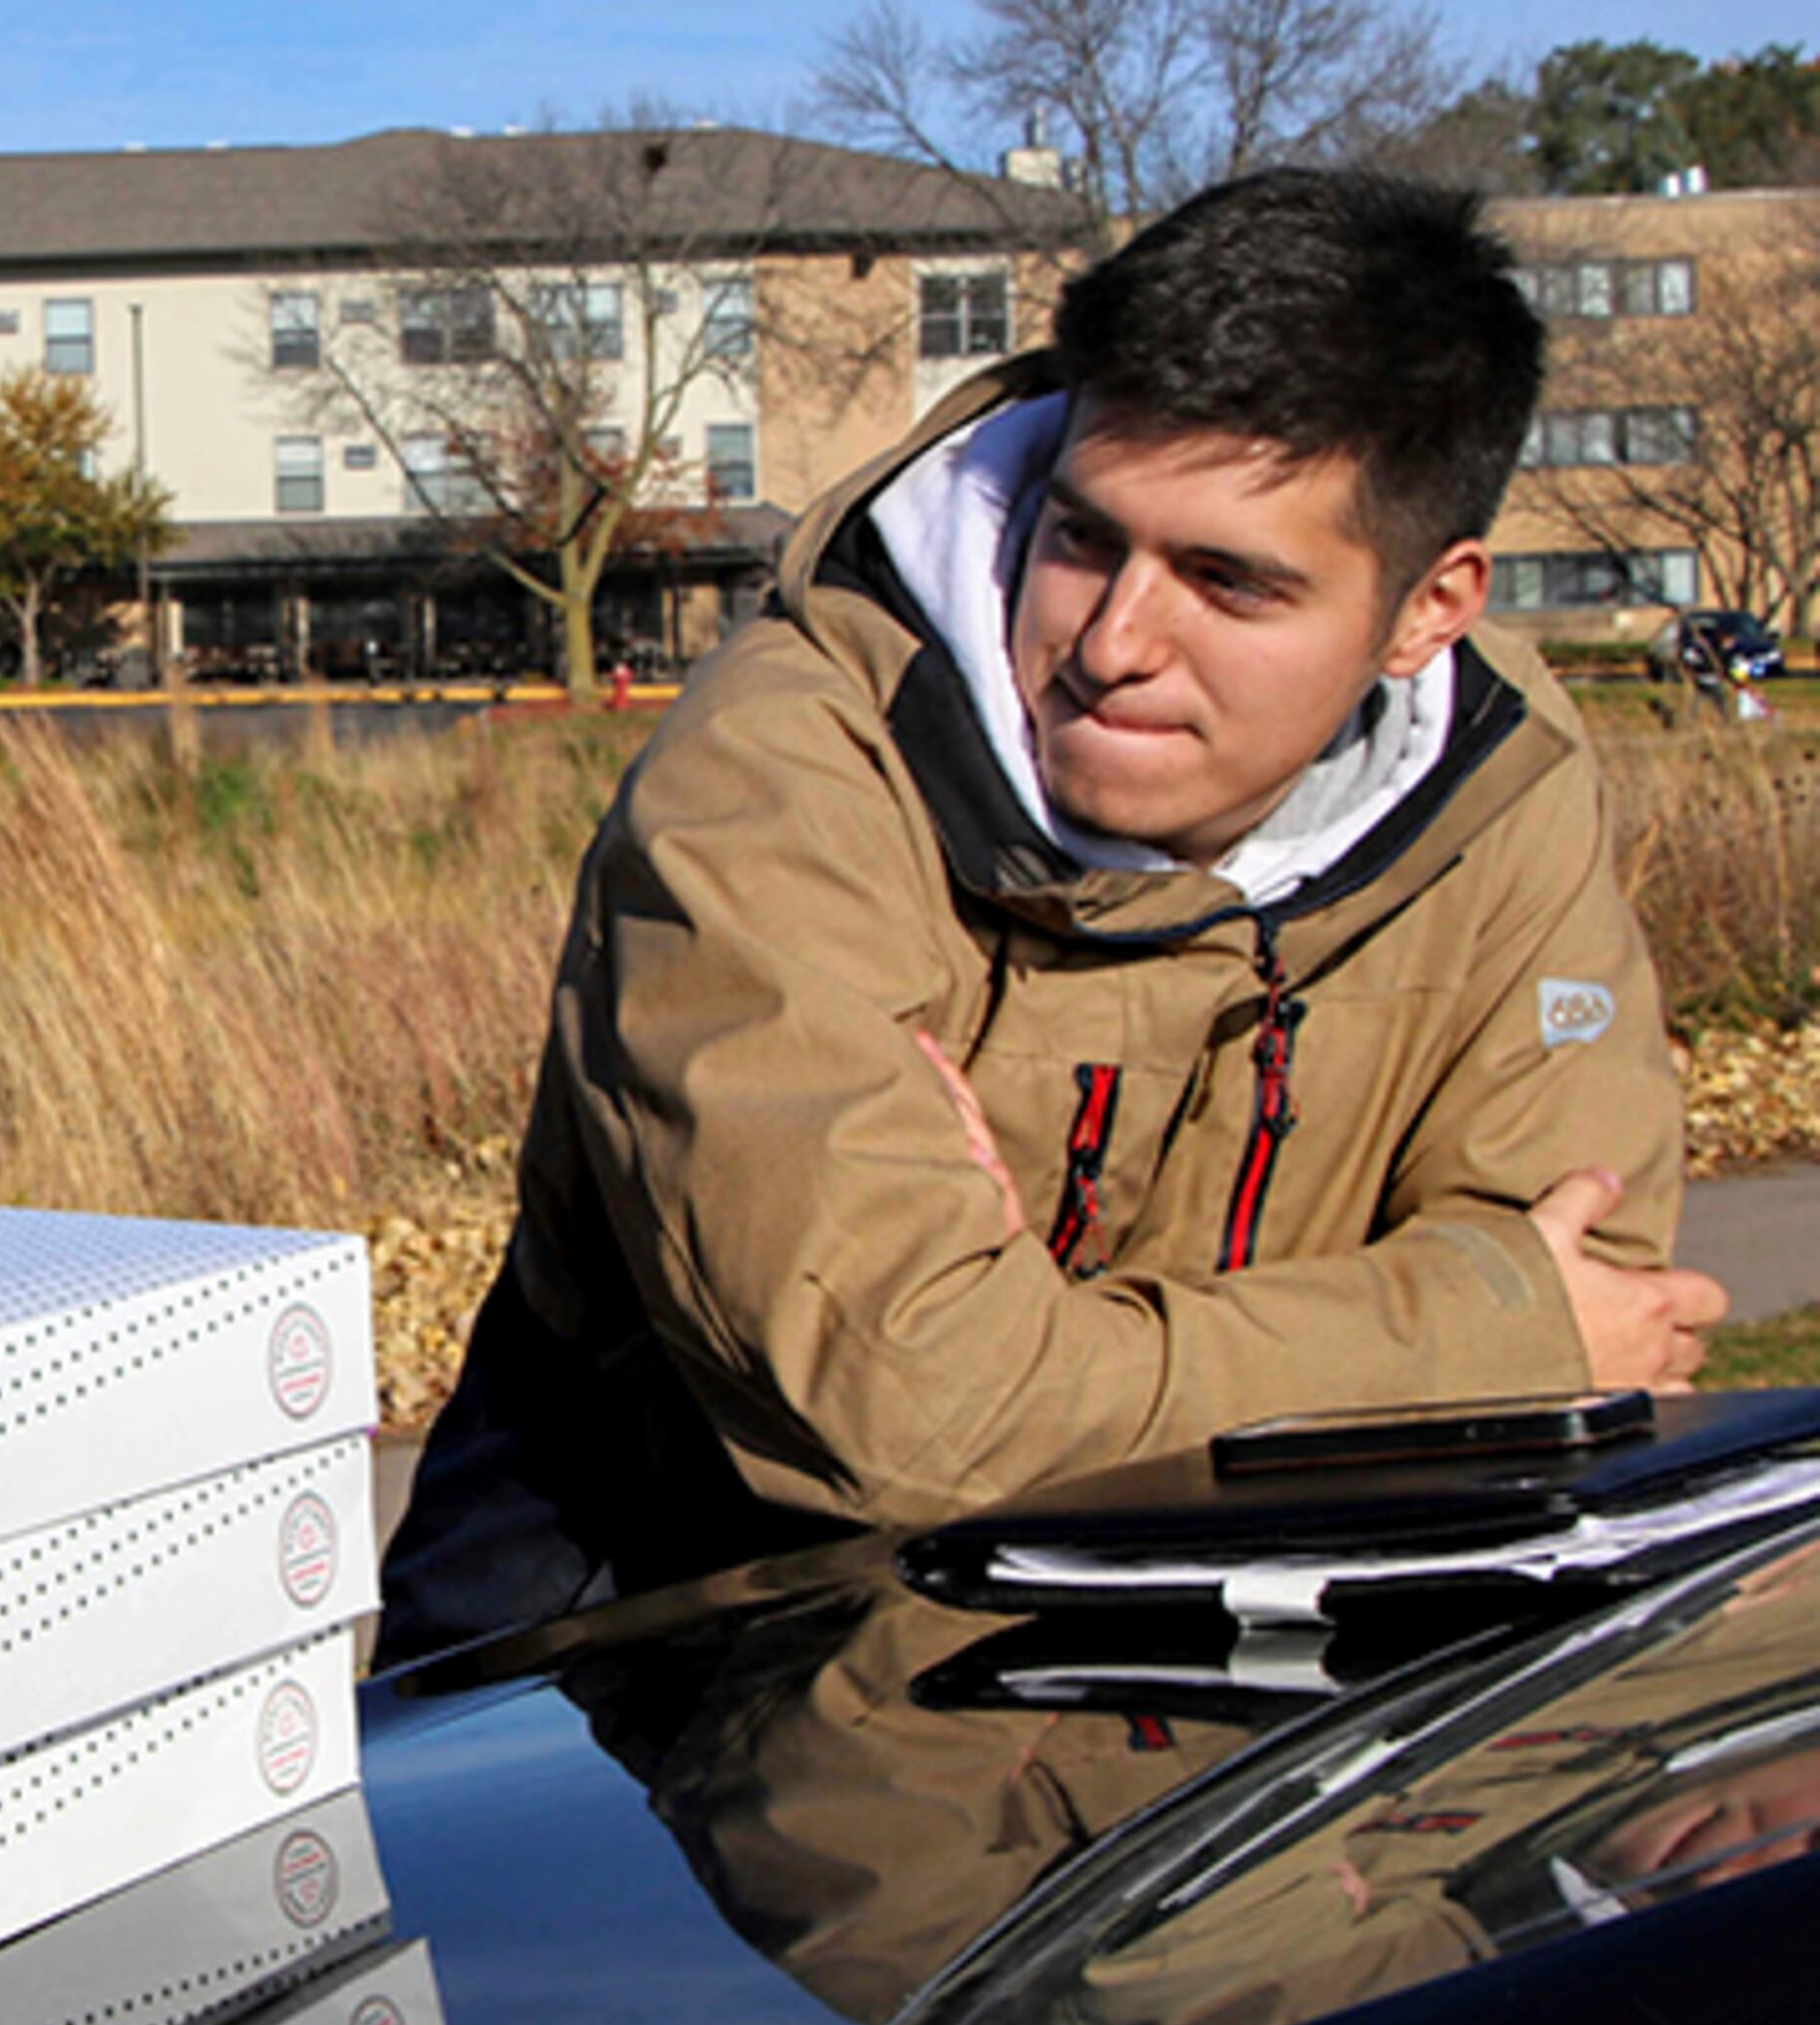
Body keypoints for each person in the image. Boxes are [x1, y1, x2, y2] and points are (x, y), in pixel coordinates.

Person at [378, 169, 1732, 1662]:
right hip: (682, 1612)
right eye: (1084, 536)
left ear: (1430, 609)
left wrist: (1064, 1356)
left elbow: (1605, 1282)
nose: (1108, 643)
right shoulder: (781, 779)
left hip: (1238, 1618)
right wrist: (1481, 1333)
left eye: (1229, 581)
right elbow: (916, 1417)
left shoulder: (1503, 776)